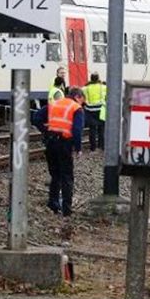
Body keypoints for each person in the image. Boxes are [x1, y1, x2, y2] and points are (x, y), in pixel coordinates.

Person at [44, 87, 85, 220]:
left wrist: (45, 131)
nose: (82, 104)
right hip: (64, 144)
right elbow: (77, 131)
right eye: (82, 101)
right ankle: (67, 209)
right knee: (67, 176)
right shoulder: (76, 108)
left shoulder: (54, 104)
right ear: (78, 97)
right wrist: (78, 148)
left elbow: (37, 117)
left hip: (50, 142)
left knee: (55, 175)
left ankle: (53, 203)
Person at [82, 72, 107, 151]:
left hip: (89, 111)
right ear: (98, 78)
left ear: (91, 78)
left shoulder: (85, 88)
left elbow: (83, 99)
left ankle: (93, 147)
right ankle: (102, 146)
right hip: (101, 110)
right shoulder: (103, 87)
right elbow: (107, 97)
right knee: (102, 129)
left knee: (92, 130)